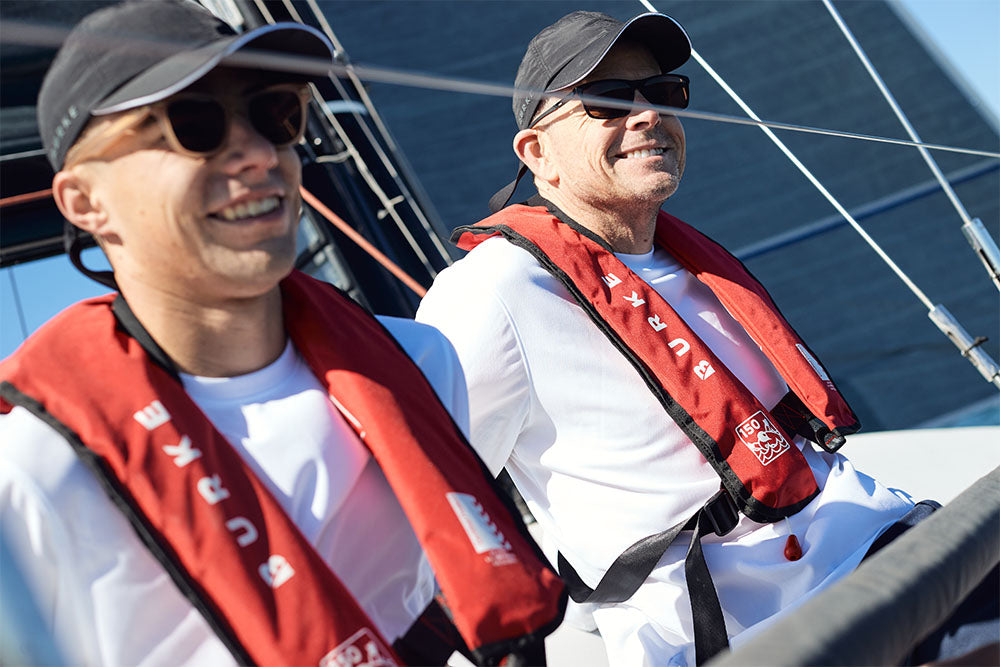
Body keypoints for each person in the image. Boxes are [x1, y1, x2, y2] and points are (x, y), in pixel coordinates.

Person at [416, 10, 997, 666]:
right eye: (606, 100)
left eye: (663, 94)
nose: (646, 116)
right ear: (537, 153)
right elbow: (422, 503)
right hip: (756, 630)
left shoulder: (694, 262)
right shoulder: (493, 291)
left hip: (884, 547)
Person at [0, 1, 565, 665]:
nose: (260, 153)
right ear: (85, 202)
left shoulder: (421, 361)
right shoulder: (34, 471)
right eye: (195, 124)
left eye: (276, 114)